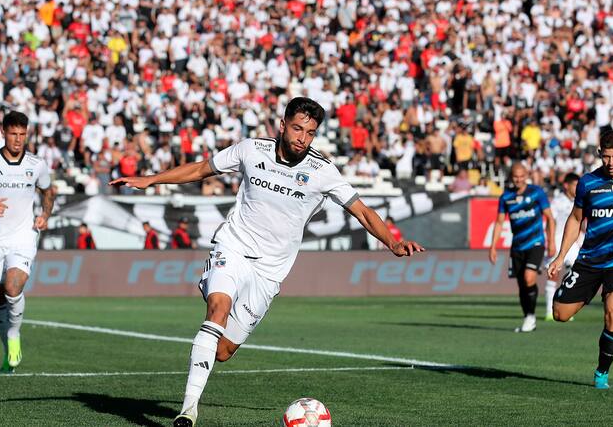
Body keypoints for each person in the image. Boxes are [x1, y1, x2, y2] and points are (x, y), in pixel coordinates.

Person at [110, 97, 424, 427]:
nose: (303, 138)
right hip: (233, 246)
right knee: (217, 308)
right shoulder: (250, 149)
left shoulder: (322, 171)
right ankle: (188, 410)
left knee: (223, 350)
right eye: (298, 128)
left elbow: (360, 210)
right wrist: (151, 179)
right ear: (283, 124)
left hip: (270, 270)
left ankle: (201, 376)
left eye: (311, 133)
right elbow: (202, 168)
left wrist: (393, 242)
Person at [548, 131, 613, 390]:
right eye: (606, 156)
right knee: (560, 314)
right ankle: (589, 292)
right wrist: (560, 256)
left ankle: (602, 371)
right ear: (600, 154)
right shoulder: (588, 182)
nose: (610, 162)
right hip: (590, 260)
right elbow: (576, 219)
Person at [0, 111, 55, 374]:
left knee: (13, 287)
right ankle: (8, 352)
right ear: (3, 132)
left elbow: (48, 190)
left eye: (22, 134)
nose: (18, 140)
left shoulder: (36, 164)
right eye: (13, 134)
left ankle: (14, 334)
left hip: (24, 235)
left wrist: (45, 215)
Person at [488, 163, 556, 333]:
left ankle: (532, 316)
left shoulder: (536, 193)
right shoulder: (506, 197)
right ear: (511, 177)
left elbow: (550, 218)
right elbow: (499, 222)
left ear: (526, 175)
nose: (518, 179)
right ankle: (528, 317)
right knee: (522, 285)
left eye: (521, 176)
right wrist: (493, 247)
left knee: (528, 278)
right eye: (515, 176)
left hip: (536, 243)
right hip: (517, 247)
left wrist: (551, 241)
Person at [546, 172, 583, 321]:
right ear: (566, 185)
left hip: (574, 244)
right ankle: (549, 309)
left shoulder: (579, 201)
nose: (577, 188)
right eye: (575, 185)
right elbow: (550, 222)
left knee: (572, 275)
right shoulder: (557, 201)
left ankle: (564, 306)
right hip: (557, 240)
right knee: (553, 275)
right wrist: (551, 242)